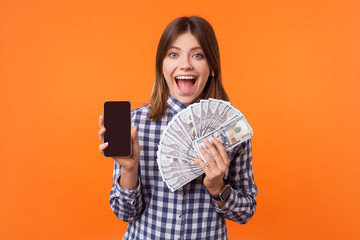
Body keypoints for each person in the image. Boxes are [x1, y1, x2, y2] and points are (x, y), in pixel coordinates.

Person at [98, 16, 257, 240]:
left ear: (211, 66)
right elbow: (124, 212)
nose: (185, 64)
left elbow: (245, 212)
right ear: (161, 66)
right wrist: (129, 170)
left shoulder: (233, 131)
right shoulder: (135, 125)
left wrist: (218, 187)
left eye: (198, 55)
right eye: (173, 54)